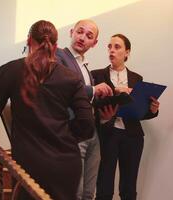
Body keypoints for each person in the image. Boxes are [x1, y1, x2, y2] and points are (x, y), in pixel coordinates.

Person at [0, 20, 95, 200]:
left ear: (28, 40)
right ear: (55, 47)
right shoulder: (71, 77)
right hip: (66, 165)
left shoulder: (11, 70)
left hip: (29, 164)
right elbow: (87, 124)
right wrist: (66, 136)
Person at [92, 34, 160, 200]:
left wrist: (152, 110)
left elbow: (139, 112)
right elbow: (92, 105)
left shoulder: (137, 79)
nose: (112, 50)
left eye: (117, 47)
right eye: (109, 46)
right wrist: (117, 91)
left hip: (132, 136)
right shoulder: (96, 75)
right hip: (107, 134)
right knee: (104, 186)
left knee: (129, 187)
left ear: (127, 52)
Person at [56, 19, 113, 200]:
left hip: (92, 133)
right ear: (71, 32)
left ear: (94, 43)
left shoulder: (86, 67)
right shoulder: (59, 56)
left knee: (89, 193)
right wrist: (95, 90)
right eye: (80, 32)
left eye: (89, 36)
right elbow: (62, 88)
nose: (82, 38)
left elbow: (85, 100)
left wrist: (105, 116)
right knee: (76, 192)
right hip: (72, 132)